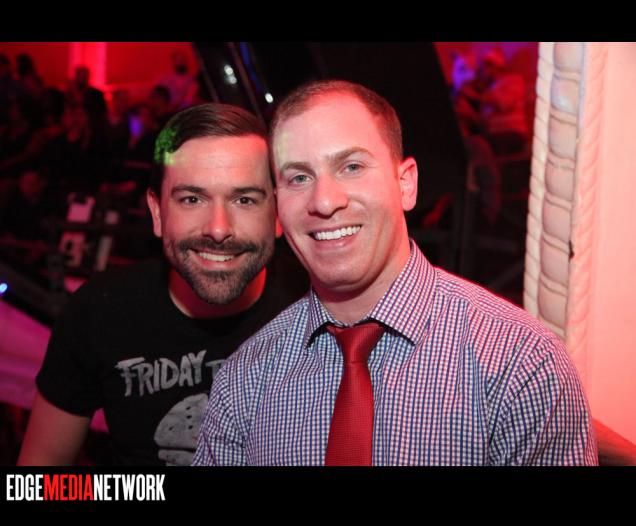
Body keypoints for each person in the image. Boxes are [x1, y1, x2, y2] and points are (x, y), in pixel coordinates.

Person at [193, 80, 598, 466]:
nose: (325, 201)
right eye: (299, 177)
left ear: (406, 184)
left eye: (351, 166)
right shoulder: (248, 377)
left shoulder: (520, 363)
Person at [17, 103, 308, 466]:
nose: (218, 228)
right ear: (157, 213)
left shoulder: (320, 306)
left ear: (278, 214)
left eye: (244, 199)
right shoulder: (99, 312)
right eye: (192, 199)